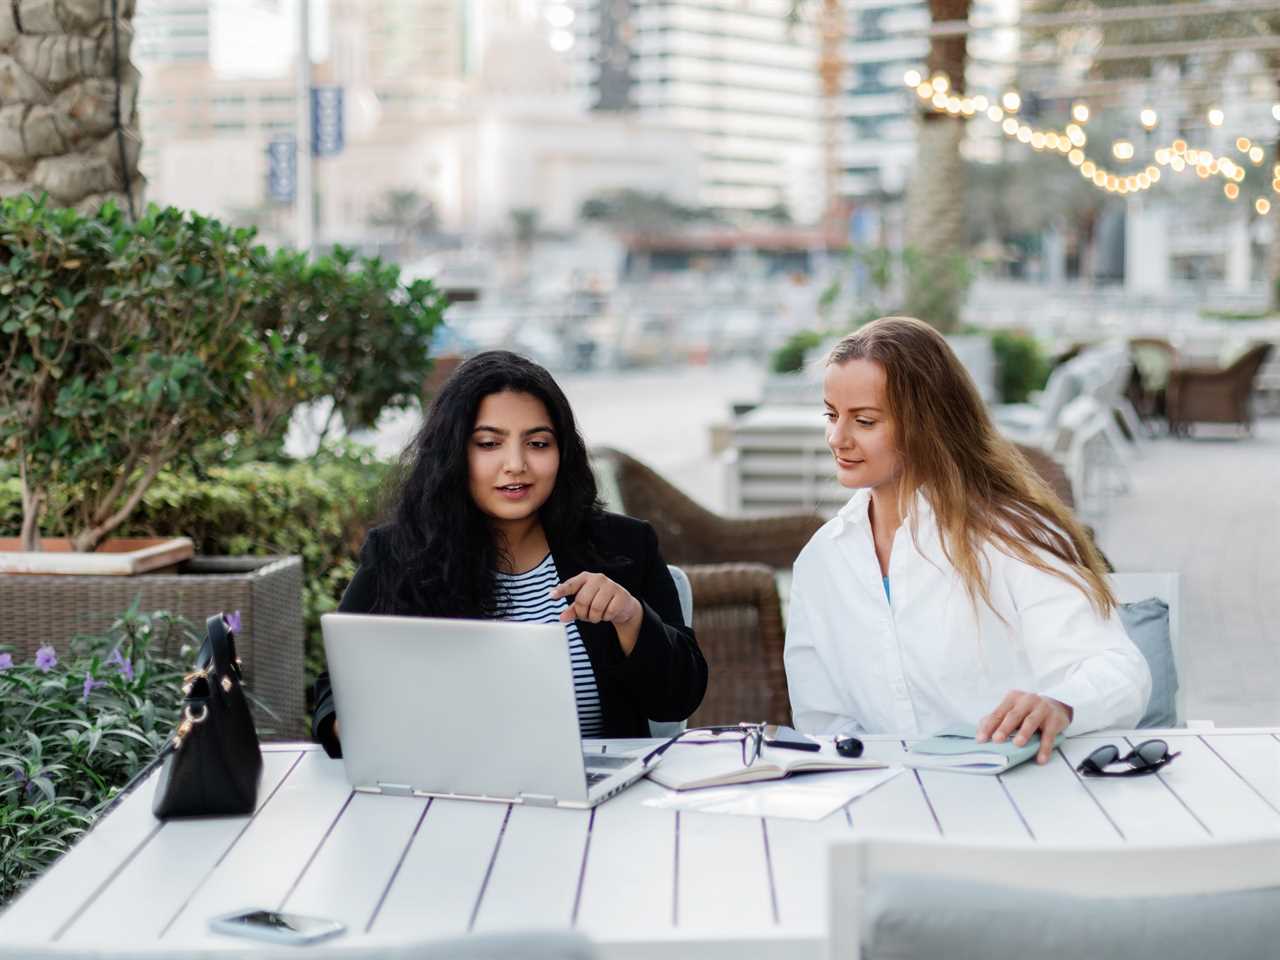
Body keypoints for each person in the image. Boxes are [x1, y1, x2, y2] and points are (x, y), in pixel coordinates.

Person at [783, 317, 1151, 763]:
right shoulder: (821, 562)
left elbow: (1118, 669)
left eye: (864, 420)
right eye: (831, 414)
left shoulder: (1010, 537)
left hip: (1017, 796)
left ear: (927, 424)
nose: (837, 438)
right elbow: (824, 721)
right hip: (882, 800)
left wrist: (1060, 704)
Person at [312, 351, 707, 757]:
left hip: (599, 803)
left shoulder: (625, 547)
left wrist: (631, 618)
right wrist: (360, 722)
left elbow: (679, 698)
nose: (515, 465)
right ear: (453, 453)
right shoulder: (398, 555)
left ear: (562, 452)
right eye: (489, 443)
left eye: (537, 443)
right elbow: (335, 693)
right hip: (450, 792)